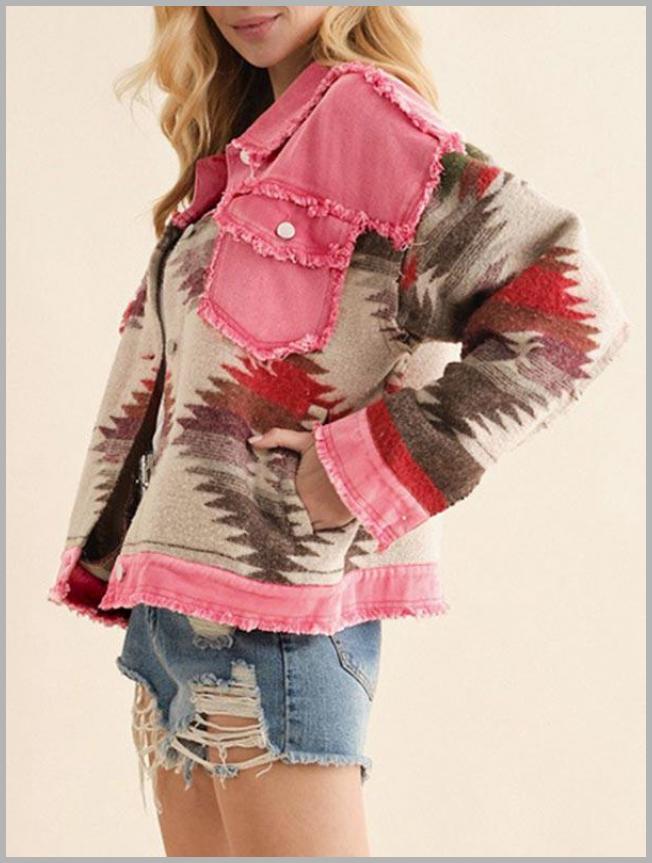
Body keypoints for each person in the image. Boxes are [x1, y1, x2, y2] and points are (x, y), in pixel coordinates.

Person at [47, 5, 631, 857]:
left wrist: (371, 465)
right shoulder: (255, 144)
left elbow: (575, 315)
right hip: (176, 619)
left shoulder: (368, 126)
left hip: (275, 628)